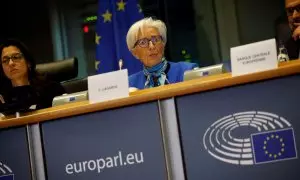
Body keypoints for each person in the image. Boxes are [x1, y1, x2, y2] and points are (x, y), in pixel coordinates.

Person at [126, 17, 198, 90]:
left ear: (163, 44)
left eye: (156, 40)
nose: (152, 46)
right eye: (143, 42)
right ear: (134, 53)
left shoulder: (187, 71)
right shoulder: (129, 84)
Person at [0, 39, 65, 111]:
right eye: (5, 61)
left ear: (28, 63)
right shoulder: (2, 97)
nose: (11, 63)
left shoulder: (51, 89)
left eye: (16, 57)